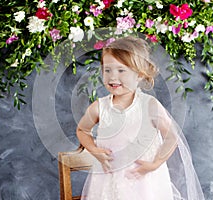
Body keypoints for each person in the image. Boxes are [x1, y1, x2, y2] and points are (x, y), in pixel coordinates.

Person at [76, 36, 205, 200]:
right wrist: (94, 150)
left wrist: (155, 164)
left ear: (139, 75)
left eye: (121, 70)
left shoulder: (149, 106)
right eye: (107, 70)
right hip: (108, 181)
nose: (113, 77)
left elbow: (171, 136)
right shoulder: (99, 107)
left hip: (144, 181)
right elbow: (82, 130)